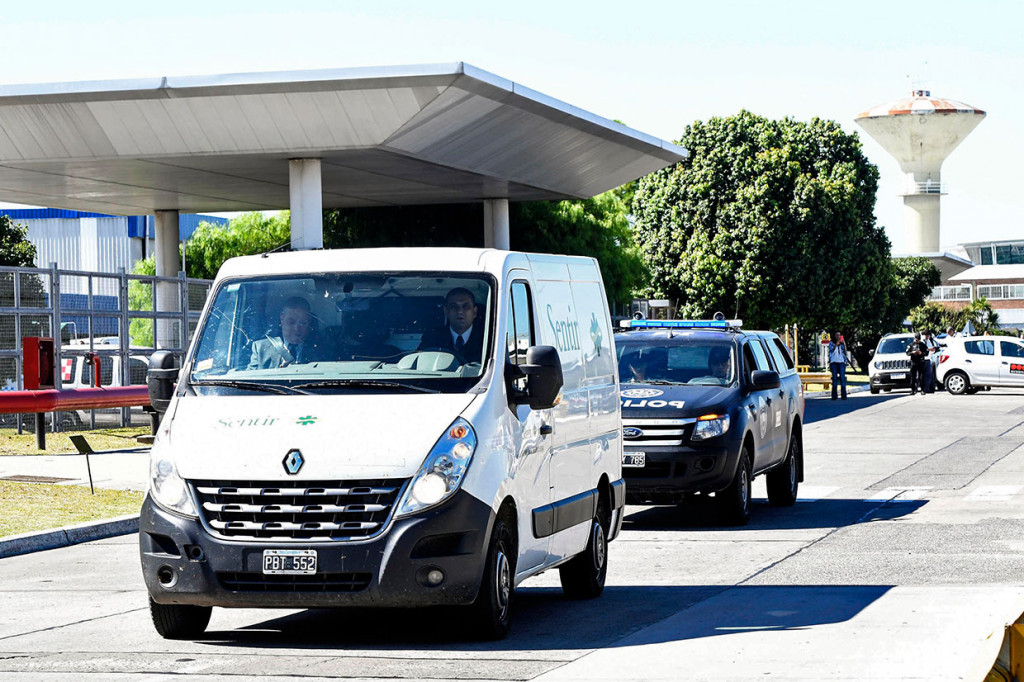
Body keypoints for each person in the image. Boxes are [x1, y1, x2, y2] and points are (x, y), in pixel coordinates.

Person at [248, 296, 324, 370]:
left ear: (309, 322)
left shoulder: (320, 350)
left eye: (303, 323)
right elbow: (248, 378)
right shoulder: (260, 348)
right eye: (291, 322)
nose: (296, 328)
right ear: (282, 318)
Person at [417, 287, 484, 364]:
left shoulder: (487, 339)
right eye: (453, 306)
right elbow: (421, 362)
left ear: (474, 312)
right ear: (446, 311)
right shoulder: (432, 337)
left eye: (466, 306)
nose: (460, 311)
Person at [827, 331, 849, 400]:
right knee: (835, 379)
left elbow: (845, 351)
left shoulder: (842, 343)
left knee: (842, 379)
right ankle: (834, 396)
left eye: (839, 335)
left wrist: (844, 343)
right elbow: (831, 350)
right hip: (834, 362)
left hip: (841, 362)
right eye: (836, 335)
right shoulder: (831, 343)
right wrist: (836, 344)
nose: (838, 337)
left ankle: (844, 395)